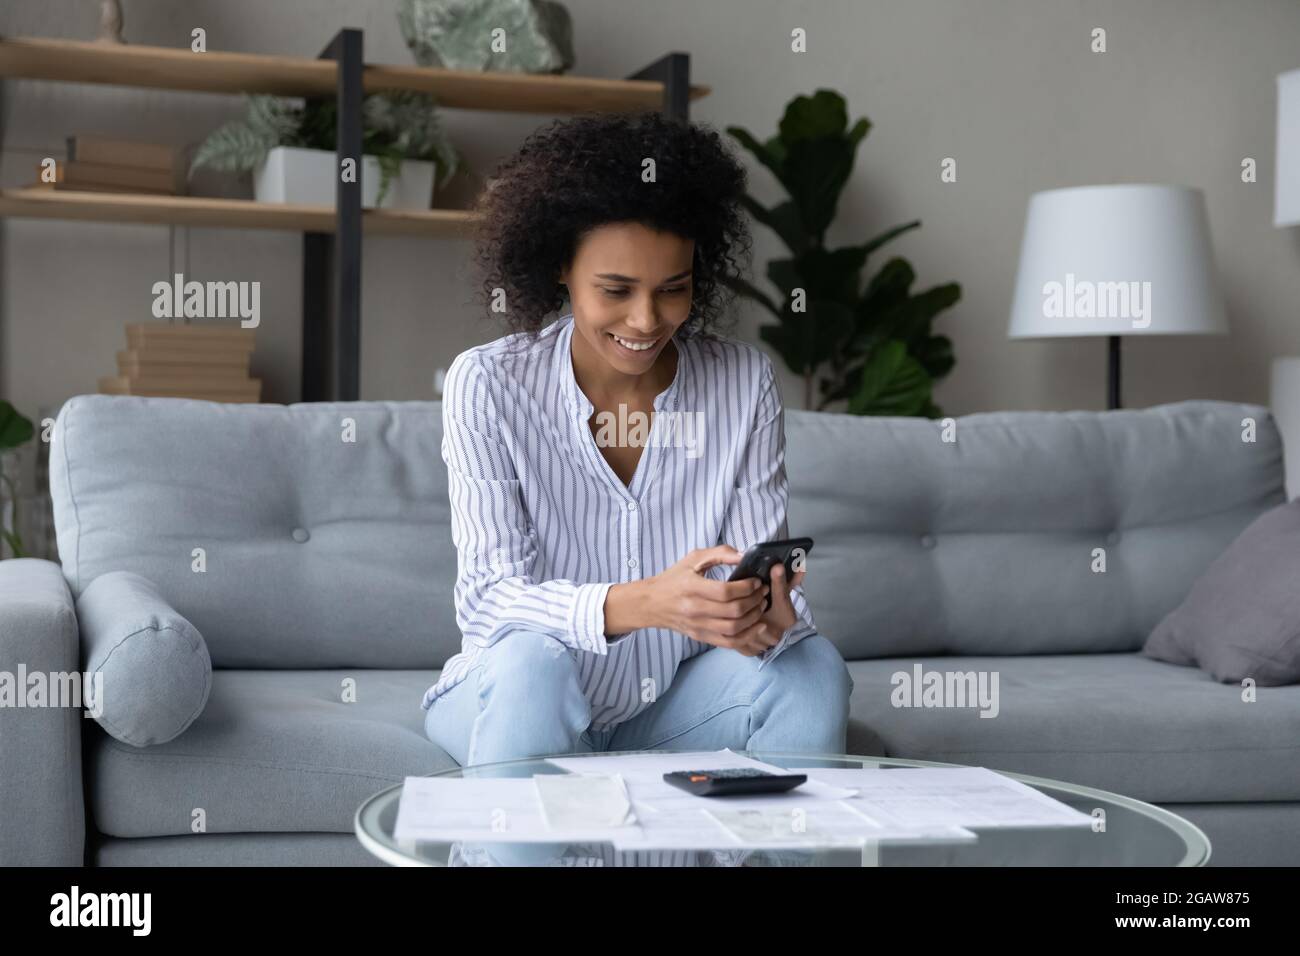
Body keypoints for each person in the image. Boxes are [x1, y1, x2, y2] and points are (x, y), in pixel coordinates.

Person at [421, 112, 854, 864]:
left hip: (670, 713)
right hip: (523, 701)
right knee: (532, 662)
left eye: (673, 289)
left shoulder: (743, 384)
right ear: (560, 267)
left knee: (810, 668)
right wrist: (642, 602)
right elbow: (489, 599)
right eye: (615, 290)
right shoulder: (487, 384)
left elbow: (760, 571)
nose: (647, 320)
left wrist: (766, 616)